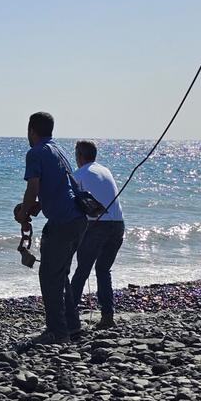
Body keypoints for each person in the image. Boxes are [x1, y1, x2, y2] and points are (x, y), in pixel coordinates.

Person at [15, 112, 87, 345]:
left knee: (48, 277)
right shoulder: (59, 149)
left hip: (63, 222)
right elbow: (60, 186)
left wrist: (24, 213)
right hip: (78, 219)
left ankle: (57, 332)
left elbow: (32, 188)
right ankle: (72, 325)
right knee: (60, 274)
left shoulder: (35, 152)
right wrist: (39, 206)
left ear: (31, 129)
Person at [70, 141, 125, 330]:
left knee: (82, 271)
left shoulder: (78, 174)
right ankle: (107, 315)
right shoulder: (105, 170)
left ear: (79, 156)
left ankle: (68, 314)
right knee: (103, 270)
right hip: (118, 224)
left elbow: (72, 203)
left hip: (98, 226)